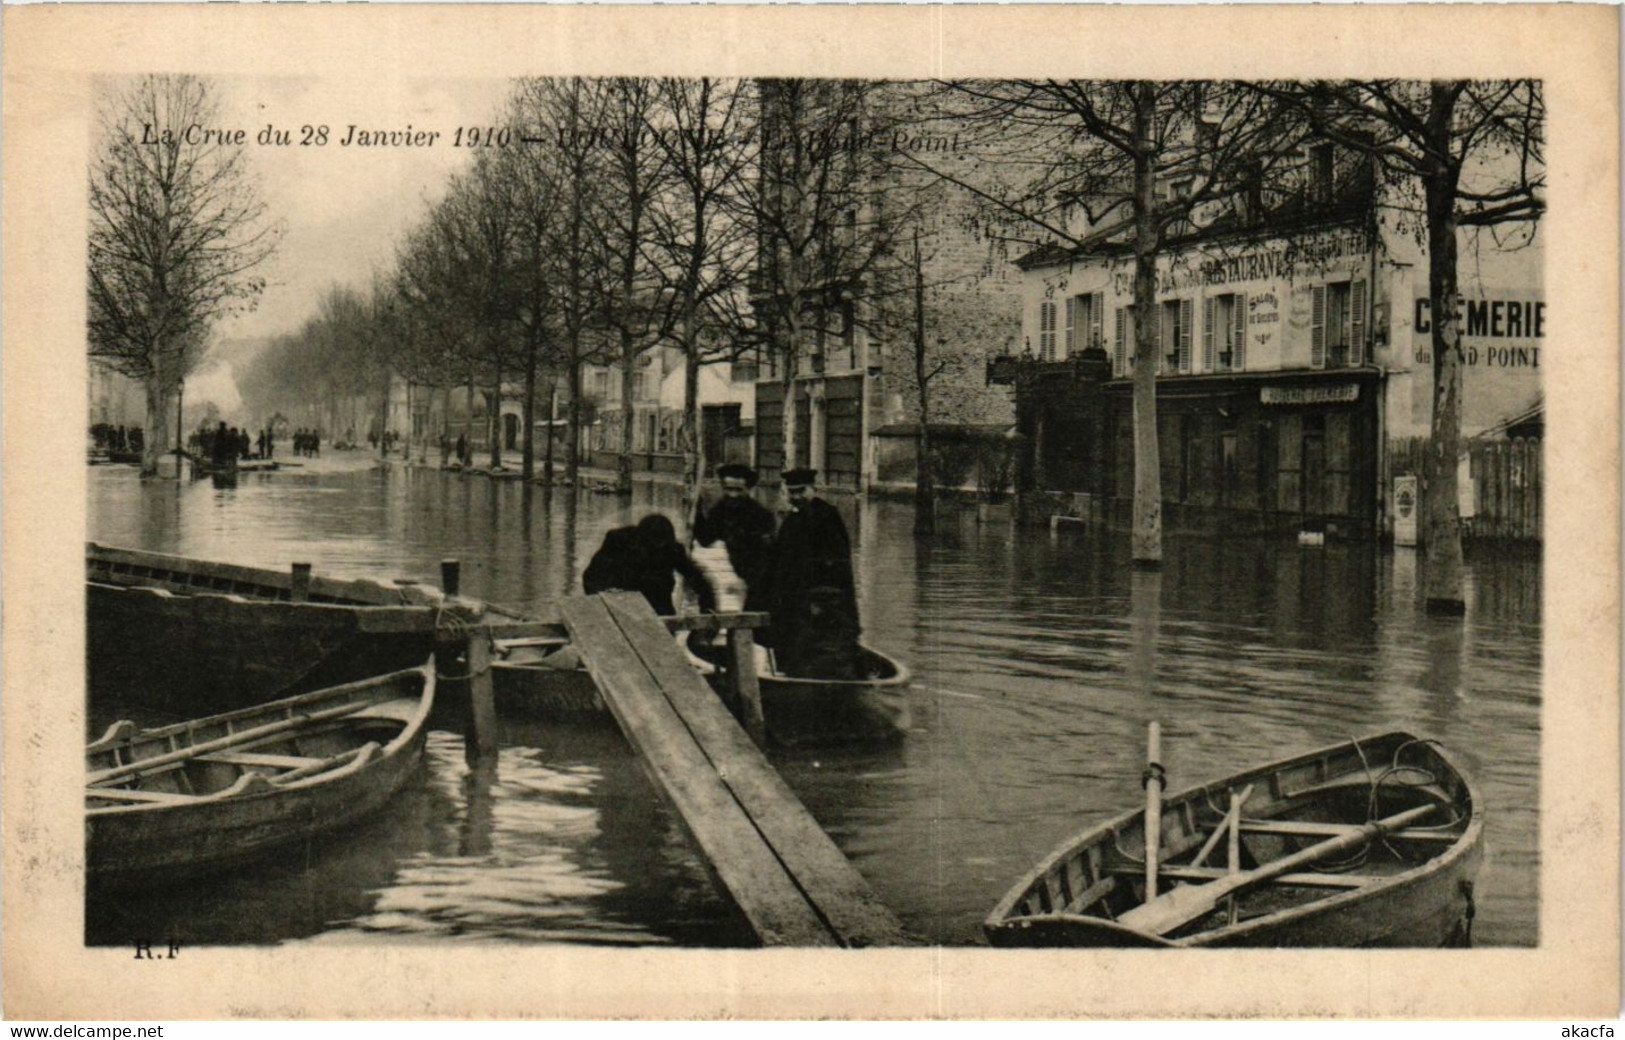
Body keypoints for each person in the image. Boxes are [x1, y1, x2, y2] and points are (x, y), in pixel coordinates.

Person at [767, 468, 860, 679]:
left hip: (822, 599)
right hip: (795, 598)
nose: (796, 497)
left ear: (813, 489)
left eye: (801, 491)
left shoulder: (827, 516)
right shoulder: (792, 519)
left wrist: (821, 599)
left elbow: (836, 562)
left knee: (819, 646)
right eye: (792, 492)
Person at [583, 513, 716, 618]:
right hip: (622, 608)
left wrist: (708, 610)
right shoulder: (619, 542)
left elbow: (699, 581)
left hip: (659, 610)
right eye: (653, 547)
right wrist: (602, 598)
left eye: (661, 548)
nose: (657, 550)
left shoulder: (673, 550)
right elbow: (591, 577)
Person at [693, 463, 776, 615]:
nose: (733, 495)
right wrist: (696, 511)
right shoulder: (720, 511)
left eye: (738, 490)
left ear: (748, 489)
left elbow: (766, 556)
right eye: (728, 489)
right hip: (740, 573)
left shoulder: (761, 515)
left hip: (763, 576)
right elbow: (706, 539)